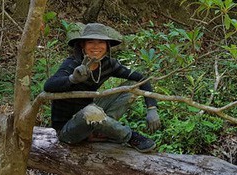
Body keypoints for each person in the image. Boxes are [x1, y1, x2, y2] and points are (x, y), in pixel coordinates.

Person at [44, 22, 161, 153]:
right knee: (92, 112)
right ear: (83, 45)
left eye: (101, 42)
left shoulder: (108, 64)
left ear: (107, 46)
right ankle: (129, 136)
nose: (96, 47)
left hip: (92, 114)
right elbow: (48, 85)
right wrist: (72, 79)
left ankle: (103, 130)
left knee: (131, 87)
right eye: (90, 42)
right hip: (68, 129)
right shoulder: (73, 64)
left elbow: (142, 79)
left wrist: (152, 108)